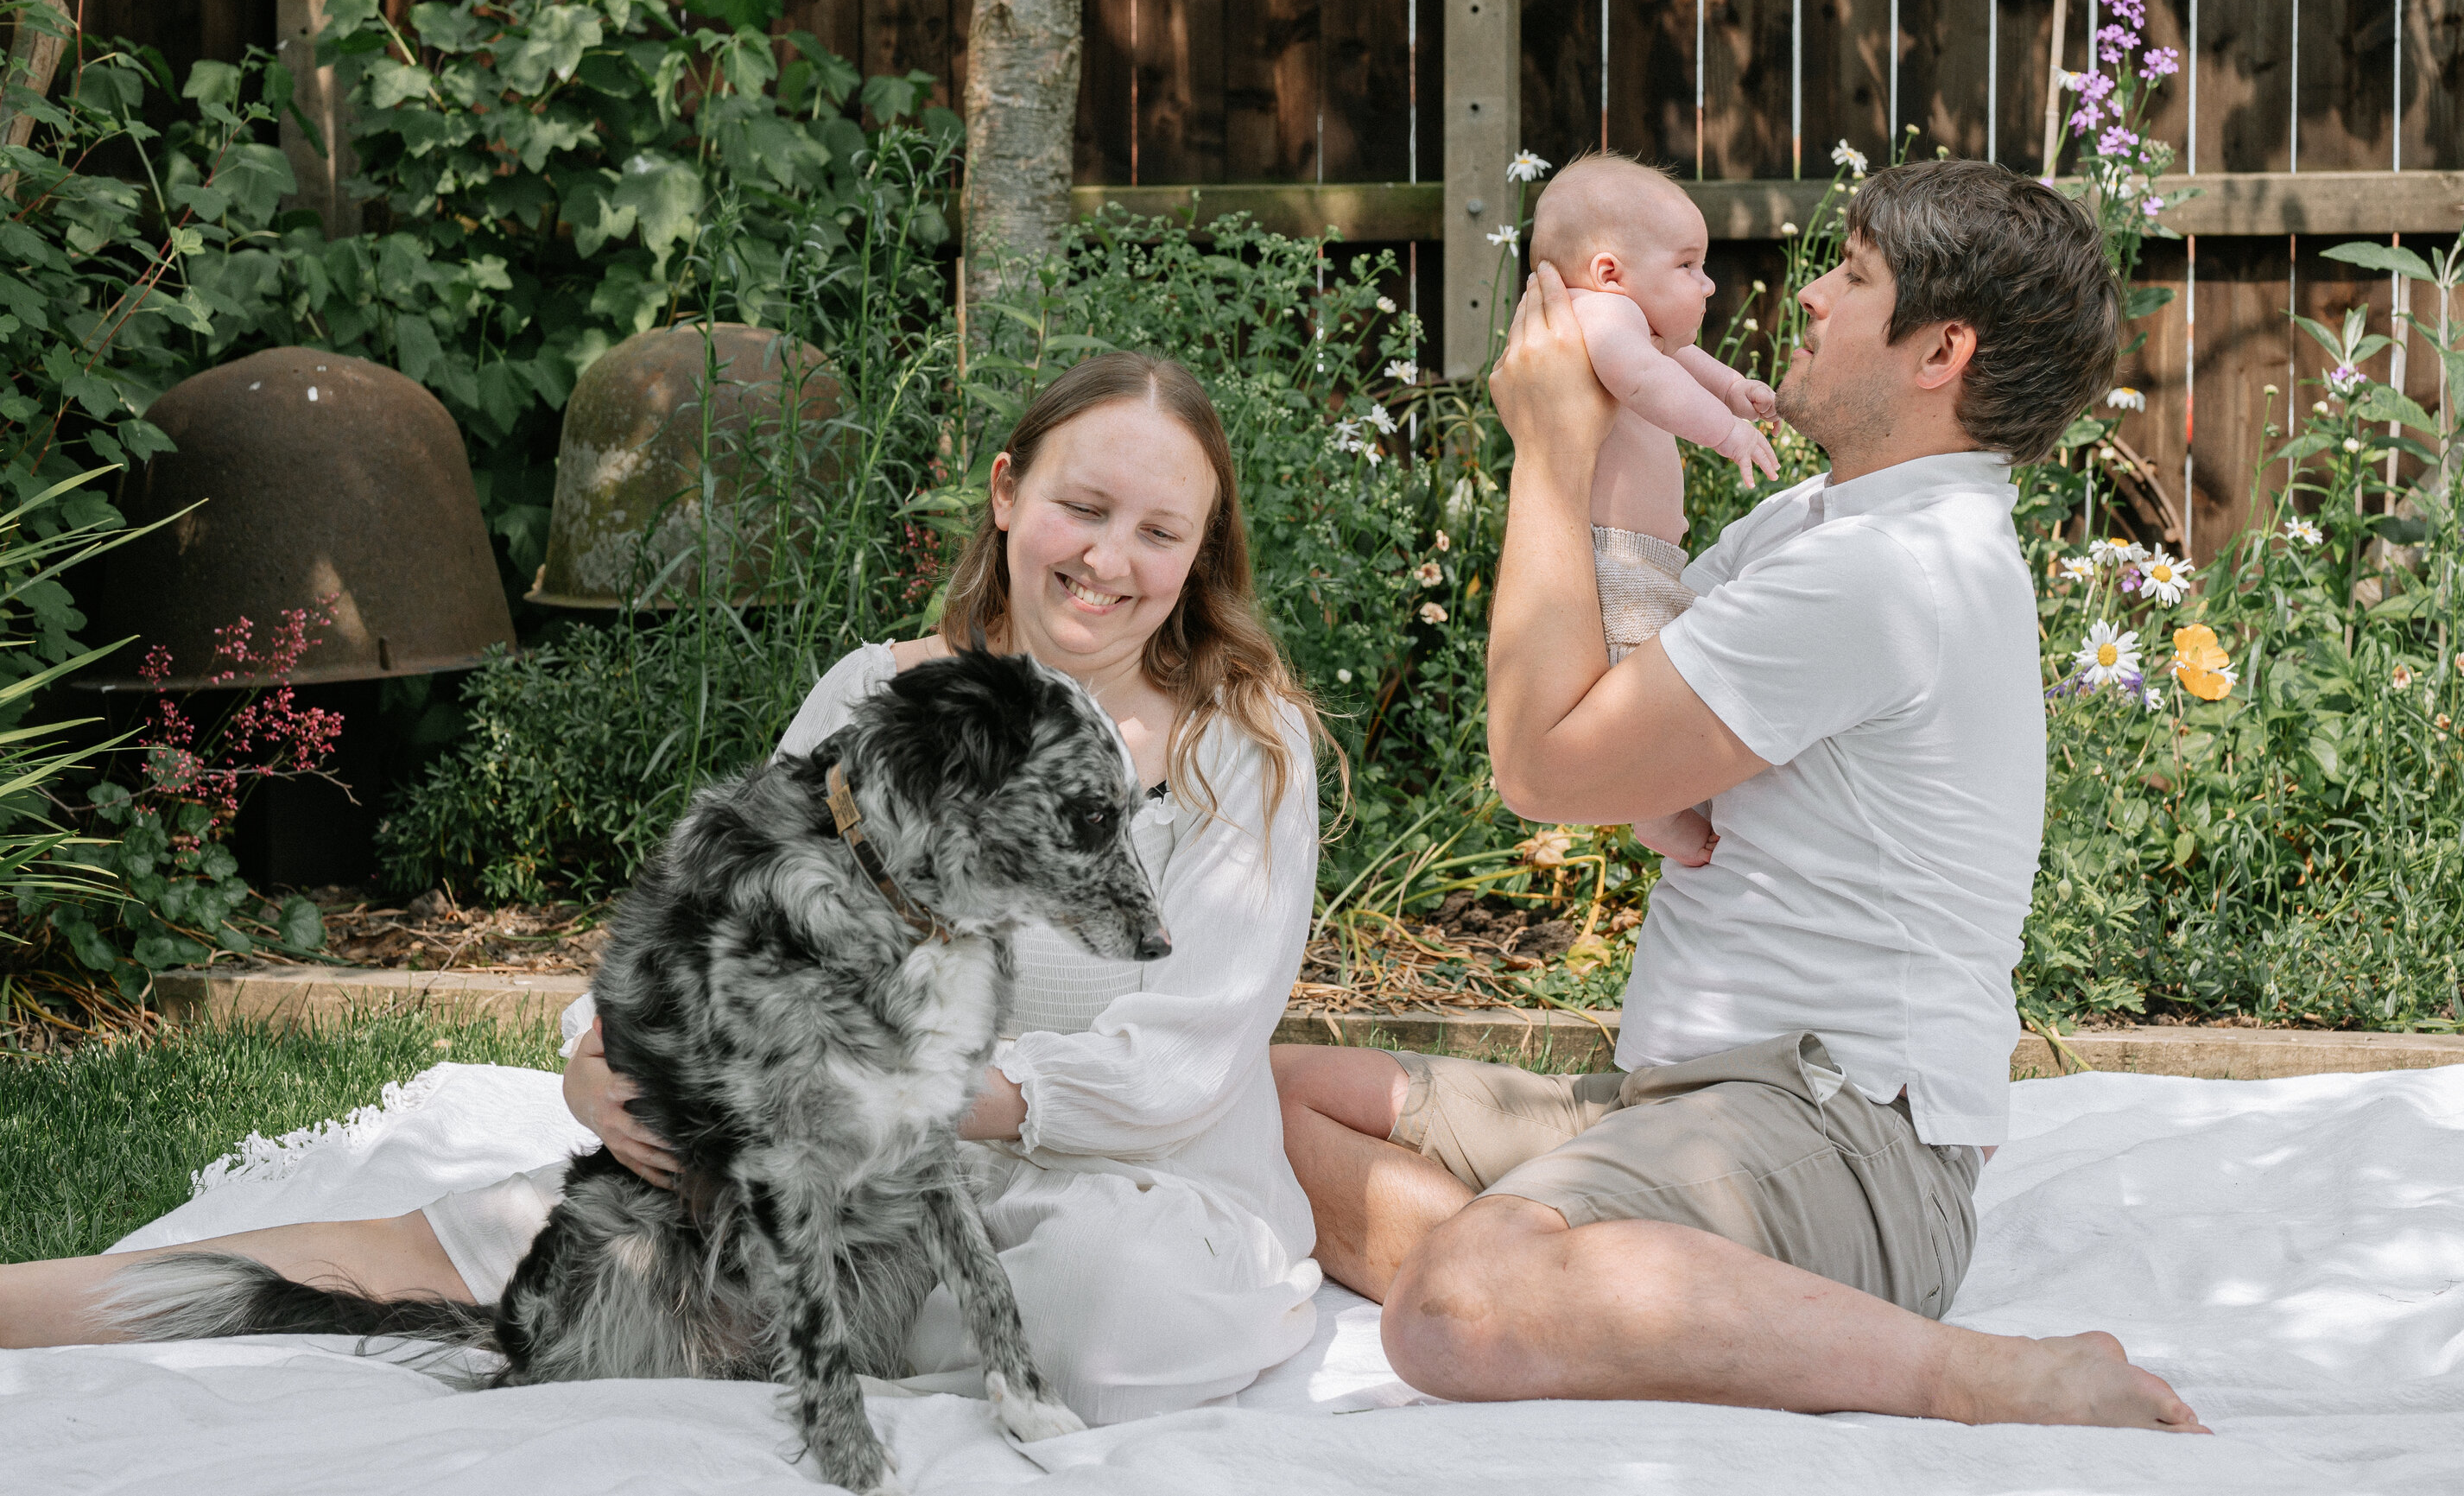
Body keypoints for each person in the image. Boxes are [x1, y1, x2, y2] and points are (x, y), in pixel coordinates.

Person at [2, 352, 1334, 1426]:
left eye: (1160, 531)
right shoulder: (875, 694)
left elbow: (1182, 1066)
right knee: (479, 1243)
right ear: (1004, 492)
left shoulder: (1244, 748)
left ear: (1201, 551)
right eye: (1083, 507)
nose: (1110, 558)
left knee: (1118, 1318)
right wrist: (601, 1061)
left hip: (1111, 1190)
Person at [1276, 158, 2207, 1431]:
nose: (1810, 296)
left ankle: (1976, 1374)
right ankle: (1638, 1286)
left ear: (1941, 350)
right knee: (1267, 1092)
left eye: (1855, 275)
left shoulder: (1889, 573)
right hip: (1704, 1105)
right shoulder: (1819, 526)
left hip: (1841, 1141)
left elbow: (1547, 766)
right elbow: (1611, 653)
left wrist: (1548, 456)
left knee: (1457, 1301)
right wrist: (1621, 416)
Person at [1527, 154, 1780, 866]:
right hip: (1612, 560)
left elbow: (1679, 360)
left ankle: (1665, 794)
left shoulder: (1627, 321)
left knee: (1656, 679)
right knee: (1636, 697)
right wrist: (1727, 430)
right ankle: (1654, 812)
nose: (1708, 283)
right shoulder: (1598, 317)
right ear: (1610, 273)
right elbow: (1646, 380)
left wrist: (1735, 389)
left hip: (1642, 559)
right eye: (1689, 265)